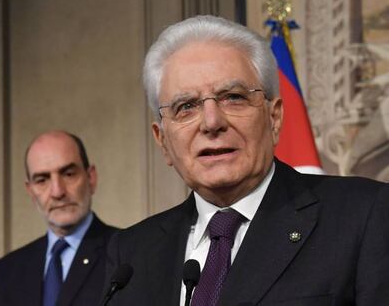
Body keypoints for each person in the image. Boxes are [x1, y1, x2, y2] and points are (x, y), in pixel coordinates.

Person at [103, 15, 389, 306]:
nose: (211, 122)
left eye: (233, 97)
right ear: (162, 140)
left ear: (274, 117)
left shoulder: (364, 215)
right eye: (186, 106)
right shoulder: (132, 253)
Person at [0, 130, 118, 306]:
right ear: (31, 191)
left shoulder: (126, 253)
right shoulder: (8, 270)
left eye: (68, 174)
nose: (58, 192)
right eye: (42, 180)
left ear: (91, 178)